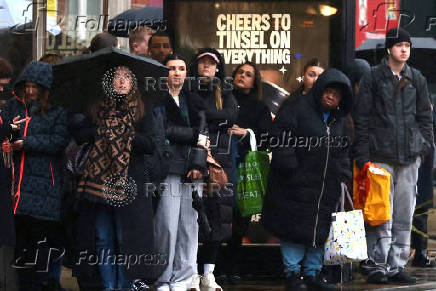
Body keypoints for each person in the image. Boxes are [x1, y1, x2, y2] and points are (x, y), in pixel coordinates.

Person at [353, 27, 433, 284]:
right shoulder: (373, 78)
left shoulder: (416, 78)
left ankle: (397, 265)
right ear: (389, 48)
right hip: (380, 155)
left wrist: (424, 146)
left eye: (407, 46)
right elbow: (362, 118)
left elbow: (425, 117)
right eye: (399, 45)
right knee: (380, 212)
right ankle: (377, 264)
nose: (404, 49)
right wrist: (363, 154)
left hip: (409, 157)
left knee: (404, 214)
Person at [261, 68, 353, 291]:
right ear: (320, 90)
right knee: (293, 229)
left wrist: (343, 174)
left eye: (336, 94)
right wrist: (290, 167)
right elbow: (281, 138)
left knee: (319, 230)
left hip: (325, 186)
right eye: (328, 91)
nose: (331, 96)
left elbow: (343, 150)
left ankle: (313, 274)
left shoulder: (339, 120)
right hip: (294, 183)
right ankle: (292, 274)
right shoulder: (297, 107)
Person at [70, 65, 157, 290]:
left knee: (125, 239)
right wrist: (104, 130)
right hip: (98, 184)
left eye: (126, 77)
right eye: (116, 77)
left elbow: (150, 144)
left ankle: (124, 286)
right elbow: (79, 135)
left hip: (130, 185)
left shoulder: (142, 108)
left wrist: (124, 134)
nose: (121, 81)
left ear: (133, 81)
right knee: (102, 237)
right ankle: (109, 287)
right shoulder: (96, 106)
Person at [1, 61, 70, 291]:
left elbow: (60, 141)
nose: (30, 91)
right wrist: (11, 134)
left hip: (45, 187)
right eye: (27, 86)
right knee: (22, 249)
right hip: (18, 189)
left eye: (35, 87)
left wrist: (28, 143)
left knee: (43, 248)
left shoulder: (57, 109)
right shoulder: (14, 107)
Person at [153, 53, 208, 291]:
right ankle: (162, 278)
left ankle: (183, 279)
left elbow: (204, 136)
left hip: (192, 168)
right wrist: (194, 135)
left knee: (190, 226)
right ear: (164, 72)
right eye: (172, 68)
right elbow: (164, 130)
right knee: (166, 225)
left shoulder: (193, 100)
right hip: (168, 168)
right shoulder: (156, 99)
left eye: (181, 68)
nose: (177, 72)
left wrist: (197, 164)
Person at [188, 48, 238, 291]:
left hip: (220, 161)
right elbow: (194, 116)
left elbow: (230, 115)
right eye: (202, 63)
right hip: (194, 160)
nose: (206, 66)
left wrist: (207, 115)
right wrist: (213, 117)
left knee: (217, 217)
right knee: (191, 217)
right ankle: (190, 272)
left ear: (218, 67)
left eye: (211, 63)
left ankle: (209, 273)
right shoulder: (189, 89)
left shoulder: (224, 90)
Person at [221, 61, 272, 284]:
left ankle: (232, 269)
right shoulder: (222, 98)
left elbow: (267, 138)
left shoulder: (259, 107)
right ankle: (211, 268)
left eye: (248, 74)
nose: (243, 76)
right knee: (216, 217)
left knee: (239, 219)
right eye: (240, 72)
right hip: (220, 164)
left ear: (254, 81)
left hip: (243, 166)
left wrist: (246, 133)